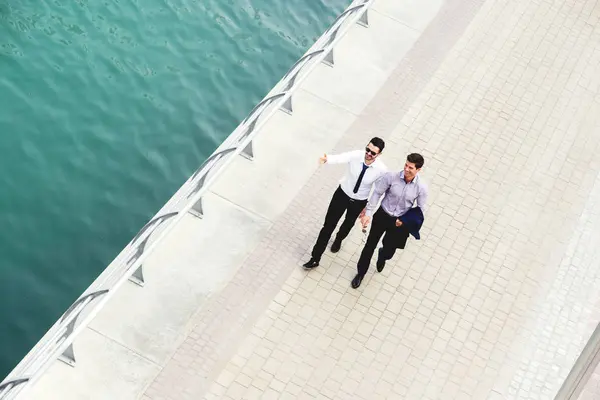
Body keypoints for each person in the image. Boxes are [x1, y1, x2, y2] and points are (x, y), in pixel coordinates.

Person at [302, 138, 387, 269]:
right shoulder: (356, 155)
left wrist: (368, 210)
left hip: (359, 201)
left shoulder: (381, 170)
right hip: (342, 194)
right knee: (328, 226)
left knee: (348, 224)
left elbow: (378, 191)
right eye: (368, 149)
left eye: (373, 153)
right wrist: (327, 159)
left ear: (379, 154)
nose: (369, 154)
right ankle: (315, 257)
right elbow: (342, 157)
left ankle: (339, 239)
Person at [351, 153, 429, 288]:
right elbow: (377, 193)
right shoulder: (391, 177)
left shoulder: (421, 188)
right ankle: (361, 273)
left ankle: (383, 256)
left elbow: (420, 210)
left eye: (411, 168)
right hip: (383, 215)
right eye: (406, 165)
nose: (406, 169)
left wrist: (404, 220)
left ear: (418, 170)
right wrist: (368, 213)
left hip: (399, 222)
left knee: (389, 250)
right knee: (370, 245)